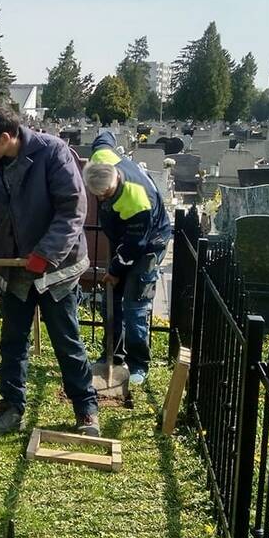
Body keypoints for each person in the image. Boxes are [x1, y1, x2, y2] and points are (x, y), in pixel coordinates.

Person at [0, 105, 100, 437]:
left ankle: (86, 409)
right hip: (14, 266)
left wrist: (46, 254)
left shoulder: (52, 153)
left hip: (57, 268)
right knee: (12, 342)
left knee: (66, 341)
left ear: (6, 137)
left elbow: (72, 210)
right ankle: (11, 407)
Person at [82, 130, 172, 386]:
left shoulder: (136, 200)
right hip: (125, 240)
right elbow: (105, 137)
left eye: (105, 194)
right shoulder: (102, 158)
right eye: (96, 195)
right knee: (111, 301)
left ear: (114, 181)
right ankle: (112, 355)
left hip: (148, 244)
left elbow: (135, 246)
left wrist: (114, 270)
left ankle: (138, 363)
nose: (101, 199)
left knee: (134, 304)